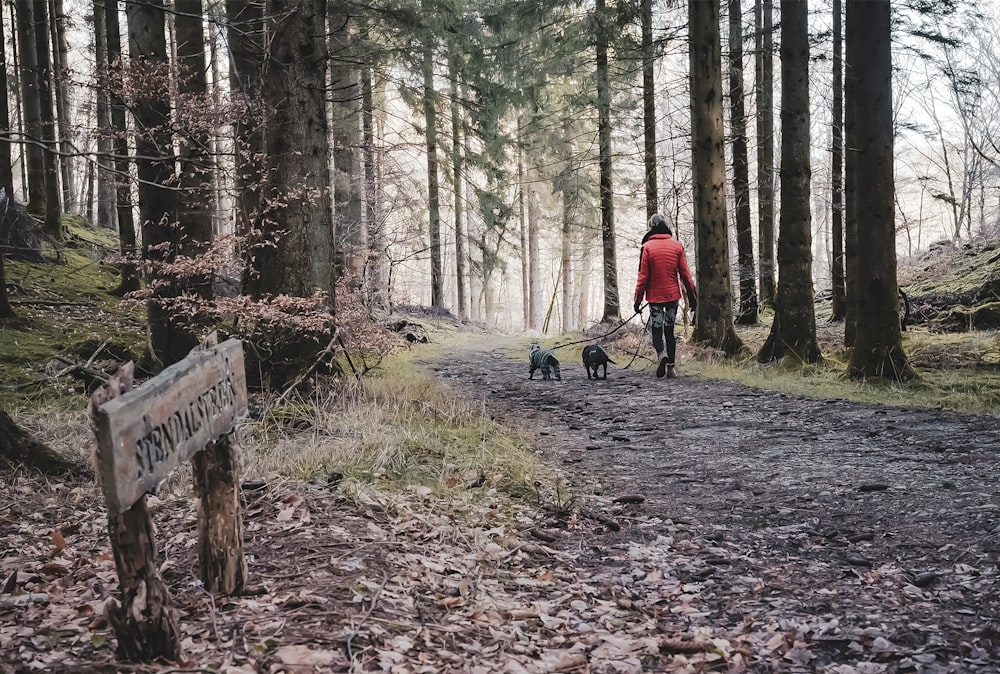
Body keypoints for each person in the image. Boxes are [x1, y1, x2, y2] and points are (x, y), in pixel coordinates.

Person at [633, 213, 697, 378]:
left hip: (655, 298)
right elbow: (685, 275)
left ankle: (662, 355)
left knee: (656, 330)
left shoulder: (647, 247)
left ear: (651, 228)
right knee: (669, 332)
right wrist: (693, 298)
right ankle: (670, 368)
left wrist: (637, 301)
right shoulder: (677, 246)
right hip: (672, 297)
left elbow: (643, 277)